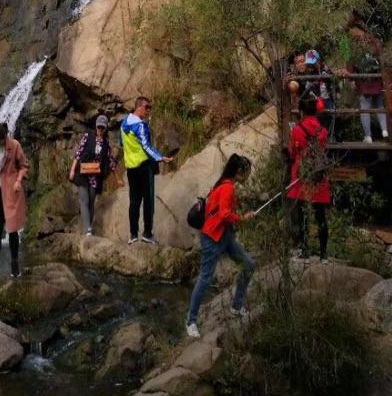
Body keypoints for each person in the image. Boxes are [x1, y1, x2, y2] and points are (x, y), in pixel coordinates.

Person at [185, 154, 256, 339]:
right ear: (240, 172)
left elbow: (223, 213)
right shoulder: (227, 188)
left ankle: (236, 306)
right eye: (247, 172)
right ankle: (191, 322)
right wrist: (242, 219)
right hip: (212, 237)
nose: (248, 175)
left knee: (249, 264)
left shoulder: (224, 184)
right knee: (205, 278)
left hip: (224, 235)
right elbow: (224, 214)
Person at [121, 96, 173, 245]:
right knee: (148, 200)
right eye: (146, 107)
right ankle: (147, 233)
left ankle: (132, 235)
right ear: (138, 107)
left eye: (149, 107)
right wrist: (161, 157)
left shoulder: (124, 123)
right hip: (144, 166)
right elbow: (146, 146)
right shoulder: (140, 125)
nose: (148, 110)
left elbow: (121, 142)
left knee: (134, 201)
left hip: (131, 168)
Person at [287, 93, 330, 262]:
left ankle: (305, 250)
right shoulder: (323, 130)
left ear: (302, 112)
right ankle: (324, 255)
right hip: (318, 173)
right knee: (320, 215)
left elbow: (292, 152)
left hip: (302, 174)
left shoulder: (297, 129)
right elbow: (323, 149)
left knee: (303, 213)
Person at [0, 122, 29, 279]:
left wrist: (18, 180)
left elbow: (24, 165)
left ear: (4, 137)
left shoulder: (14, 145)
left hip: (11, 190)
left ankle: (14, 263)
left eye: (0, 141)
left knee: (12, 228)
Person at [69, 114, 118, 236]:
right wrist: (72, 170)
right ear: (96, 127)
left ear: (106, 128)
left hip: (95, 177)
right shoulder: (87, 137)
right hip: (82, 174)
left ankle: (89, 228)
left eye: (102, 127)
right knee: (84, 200)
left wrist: (118, 179)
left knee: (91, 202)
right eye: (99, 127)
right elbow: (78, 153)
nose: (100, 129)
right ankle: (88, 230)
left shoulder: (106, 144)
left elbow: (112, 161)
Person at [343, 15, 388, 144]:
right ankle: (385, 131)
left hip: (363, 80)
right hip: (376, 78)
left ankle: (368, 136)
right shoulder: (374, 41)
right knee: (379, 105)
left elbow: (350, 63)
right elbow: (381, 59)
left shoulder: (353, 45)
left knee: (364, 107)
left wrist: (351, 79)